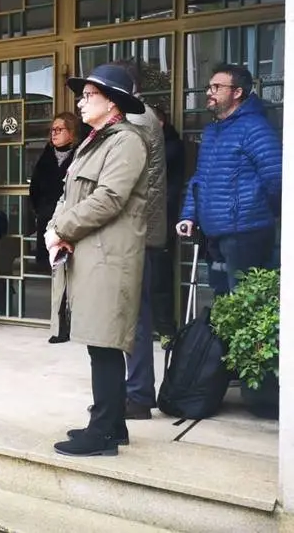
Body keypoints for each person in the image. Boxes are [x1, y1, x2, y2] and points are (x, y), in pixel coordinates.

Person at [47, 63, 148, 457]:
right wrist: (55, 227)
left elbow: (109, 198)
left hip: (110, 256)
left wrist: (63, 229)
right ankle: (113, 425)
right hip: (90, 252)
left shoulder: (127, 142)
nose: (80, 102)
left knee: (105, 343)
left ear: (113, 102)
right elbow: (69, 194)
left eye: (89, 95)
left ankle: (103, 433)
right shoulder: (95, 141)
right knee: (97, 342)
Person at [175, 63, 282, 296]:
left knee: (244, 299)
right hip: (215, 232)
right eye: (209, 87)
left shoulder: (255, 127)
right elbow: (200, 177)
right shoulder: (212, 130)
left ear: (237, 92)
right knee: (222, 298)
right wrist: (189, 215)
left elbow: (276, 177)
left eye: (216, 87)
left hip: (246, 233)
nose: (209, 92)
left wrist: (260, 211)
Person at [110, 60, 168, 422]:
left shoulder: (136, 120)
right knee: (132, 315)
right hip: (139, 229)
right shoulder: (139, 117)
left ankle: (139, 394)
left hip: (136, 232)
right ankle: (133, 392)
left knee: (136, 318)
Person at [29, 112, 80, 343]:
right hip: (49, 222)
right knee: (57, 273)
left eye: (60, 129)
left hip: (74, 221)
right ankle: (60, 327)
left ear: (72, 132)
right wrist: (42, 211)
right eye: (52, 130)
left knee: (75, 276)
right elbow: (35, 189)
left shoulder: (81, 154)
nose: (54, 134)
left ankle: (74, 323)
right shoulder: (46, 156)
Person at [151, 106, 185, 338]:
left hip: (163, 218)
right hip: (148, 219)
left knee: (160, 278)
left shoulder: (170, 146)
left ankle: (165, 330)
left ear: (159, 124)